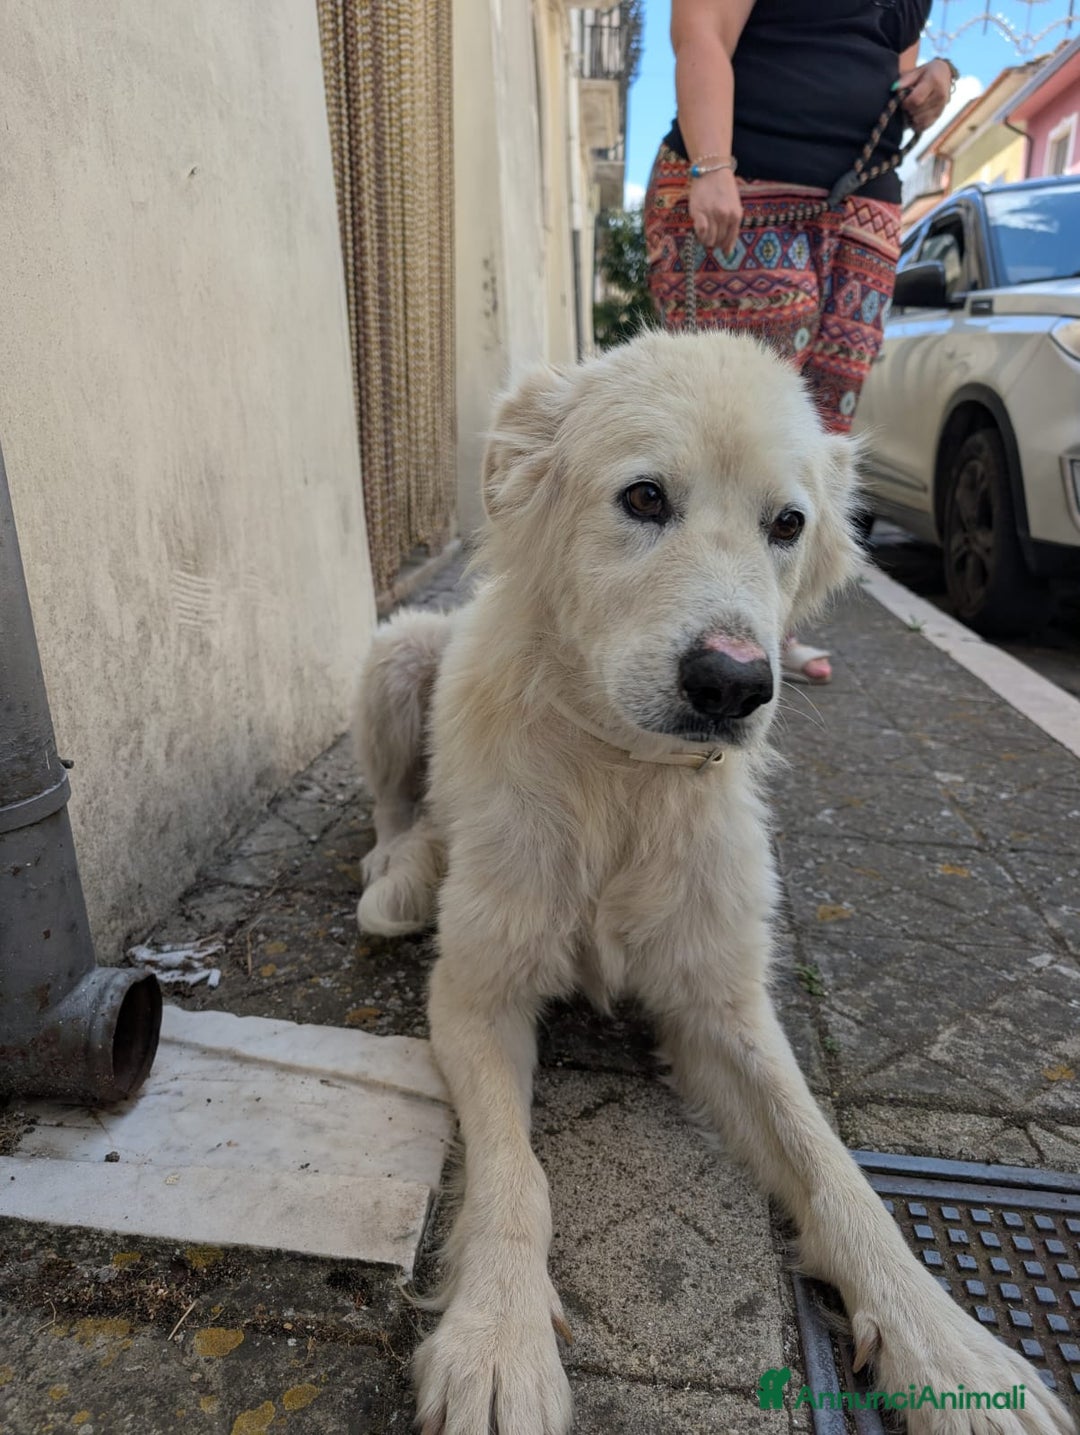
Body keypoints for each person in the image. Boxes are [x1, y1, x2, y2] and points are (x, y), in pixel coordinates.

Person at [645, 0, 954, 684]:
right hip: (746, 179)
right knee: (729, 430)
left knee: (818, 430)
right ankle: (683, 627)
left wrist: (932, 77)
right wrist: (710, 164)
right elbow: (700, 28)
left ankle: (768, 627)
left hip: (863, 196)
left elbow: (891, 64)